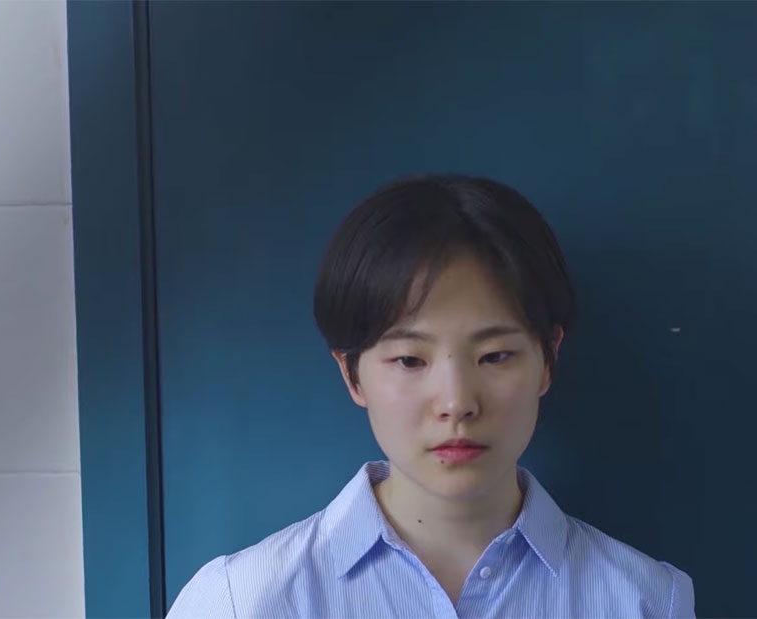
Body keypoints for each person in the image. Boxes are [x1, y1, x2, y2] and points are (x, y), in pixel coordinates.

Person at [166, 175, 695, 618]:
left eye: (495, 356)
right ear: (351, 373)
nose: (456, 403)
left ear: (548, 358)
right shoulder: (240, 602)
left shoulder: (647, 600)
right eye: (410, 360)